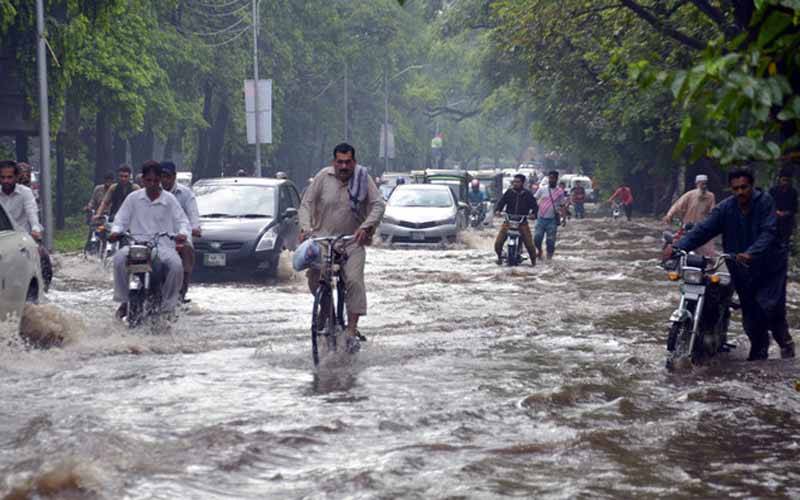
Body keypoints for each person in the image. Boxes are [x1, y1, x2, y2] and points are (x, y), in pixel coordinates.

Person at [669, 168, 794, 360]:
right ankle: (758, 355)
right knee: (751, 315)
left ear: (751, 186)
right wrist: (678, 248)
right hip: (740, 267)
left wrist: (751, 253)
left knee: (769, 309)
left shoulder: (765, 203)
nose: (740, 192)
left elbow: (768, 232)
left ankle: (785, 344)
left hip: (770, 267)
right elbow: (704, 229)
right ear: (731, 189)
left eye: (744, 187)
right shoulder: (725, 208)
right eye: (735, 188)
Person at [299, 143, 385, 352]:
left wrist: (366, 227)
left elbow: (379, 204)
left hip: (352, 241)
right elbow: (306, 204)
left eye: (348, 162)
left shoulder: (363, 178)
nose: (344, 166)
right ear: (333, 162)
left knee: (354, 281)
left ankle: (351, 330)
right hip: (323, 239)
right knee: (315, 277)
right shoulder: (322, 177)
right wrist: (305, 228)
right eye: (340, 162)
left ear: (354, 162)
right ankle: (325, 308)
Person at [109, 161, 189, 320]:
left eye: (155, 180)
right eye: (148, 180)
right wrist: (116, 231)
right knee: (118, 259)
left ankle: (168, 307)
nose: (152, 184)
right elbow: (120, 220)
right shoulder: (133, 199)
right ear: (143, 180)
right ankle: (124, 300)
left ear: (160, 180)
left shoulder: (170, 200)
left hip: (163, 247)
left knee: (176, 266)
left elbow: (182, 221)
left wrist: (182, 234)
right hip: (137, 245)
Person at [160, 161, 201, 303]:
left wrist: (195, 227)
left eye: (168, 176)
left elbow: (193, 215)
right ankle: (129, 300)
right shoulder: (152, 192)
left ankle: (181, 292)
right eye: (162, 176)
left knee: (187, 250)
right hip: (155, 238)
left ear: (174, 176)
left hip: (178, 238)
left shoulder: (186, 194)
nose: (164, 180)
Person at [663, 174, 717, 256]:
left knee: (707, 253)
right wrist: (669, 215)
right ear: (697, 184)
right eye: (702, 184)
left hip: (702, 227)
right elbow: (678, 205)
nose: (704, 186)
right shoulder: (690, 194)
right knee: (680, 249)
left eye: (705, 183)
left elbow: (713, 212)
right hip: (687, 226)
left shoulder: (710, 196)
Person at [494, 173, 538, 266]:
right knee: (498, 243)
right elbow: (501, 203)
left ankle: (534, 262)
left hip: (522, 222)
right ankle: (500, 257)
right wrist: (498, 210)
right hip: (508, 221)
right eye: (514, 182)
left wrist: (534, 214)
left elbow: (535, 206)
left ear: (522, 183)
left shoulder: (527, 194)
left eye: (517, 182)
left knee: (530, 245)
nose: (515, 184)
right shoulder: (509, 192)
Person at [0, 160, 42, 239]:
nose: (6, 181)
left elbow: (32, 213)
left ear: (16, 177)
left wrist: (35, 229)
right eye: (3, 177)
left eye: (9, 177)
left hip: (22, 238)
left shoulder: (25, 192)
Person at [533, 170, 567, 259]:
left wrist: (564, 218)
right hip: (540, 218)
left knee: (550, 241)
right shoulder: (542, 189)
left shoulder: (560, 192)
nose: (551, 180)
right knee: (537, 238)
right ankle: (539, 251)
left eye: (553, 179)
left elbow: (563, 205)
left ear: (556, 179)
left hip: (552, 220)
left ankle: (549, 258)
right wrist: (532, 212)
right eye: (550, 178)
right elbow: (534, 200)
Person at [769, 165, 798, 250]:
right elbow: (768, 205)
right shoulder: (773, 191)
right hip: (775, 219)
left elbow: (794, 208)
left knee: (785, 241)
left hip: (787, 220)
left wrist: (786, 213)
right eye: (783, 180)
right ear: (780, 180)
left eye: (787, 180)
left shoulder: (793, 192)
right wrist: (776, 212)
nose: (785, 182)